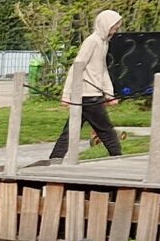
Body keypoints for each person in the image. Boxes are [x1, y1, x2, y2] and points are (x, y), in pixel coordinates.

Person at [52, 10, 125, 161]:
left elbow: (102, 70)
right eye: (114, 27)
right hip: (88, 95)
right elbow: (77, 66)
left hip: (92, 95)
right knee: (106, 131)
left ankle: (55, 159)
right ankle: (118, 158)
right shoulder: (92, 41)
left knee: (71, 131)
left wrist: (109, 94)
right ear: (105, 25)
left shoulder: (103, 43)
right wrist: (66, 95)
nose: (116, 30)